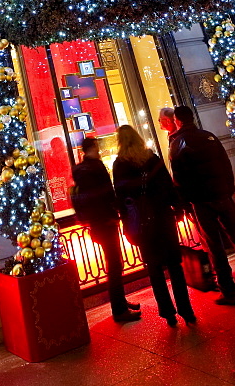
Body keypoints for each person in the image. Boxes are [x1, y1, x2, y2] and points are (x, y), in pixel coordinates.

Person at [169, 104, 235, 305]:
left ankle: (228, 292)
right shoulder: (209, 137)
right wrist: (228, 191)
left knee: (215, 248)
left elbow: (179, 178)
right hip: (221, 196)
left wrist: (186, 203)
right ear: (192, 117)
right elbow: (226, 164)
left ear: (177, 120)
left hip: (202, 202)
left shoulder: (178, 144)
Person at [113, 125, 196, 326]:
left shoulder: (120, 165)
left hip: (142, 222)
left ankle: (167, 313)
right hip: (163, 217)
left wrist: (126, 222)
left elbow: (121, 197)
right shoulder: (152, 158)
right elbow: (168, 185)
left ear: (120, 142)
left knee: (155, 269)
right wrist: (178, 207)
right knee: (175, 266)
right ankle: (186, 310)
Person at [71, 136, 142, 323]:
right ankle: (119, 310)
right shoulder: (96, 167)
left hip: (95, 223)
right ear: (94, 147)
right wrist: (116, 208)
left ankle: (121, 302)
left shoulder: (79, 169)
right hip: (105, 221)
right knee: (115, 264)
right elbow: (107, 192)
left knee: (114, 263)